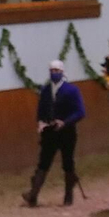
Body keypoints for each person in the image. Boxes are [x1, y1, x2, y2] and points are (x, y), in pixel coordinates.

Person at [23, 60, 85, 206]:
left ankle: (68, 195)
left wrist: (65, 122)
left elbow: (80, 112)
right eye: (52, 70)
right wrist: (40, 122)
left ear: (62, 72)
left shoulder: (72, 90)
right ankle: (33, 194)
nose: (54, 73)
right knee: (43, 163)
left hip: (66, 132)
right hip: (49, 132)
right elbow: (41, 111)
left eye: (57, 70)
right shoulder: (45, 90)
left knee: (67, 162)